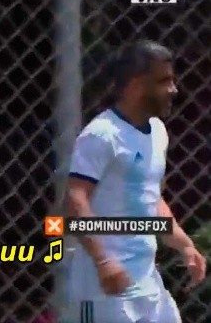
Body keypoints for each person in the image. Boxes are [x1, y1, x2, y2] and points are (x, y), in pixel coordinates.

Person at [58, 40, 207, 323]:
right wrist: (103, 262)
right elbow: (76, 200)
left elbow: (151, 200)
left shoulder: (157, 133)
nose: (173, 89)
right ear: (137, 85)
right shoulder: (102, 135)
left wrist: (185, 245)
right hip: (103, 287)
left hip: (146, 281)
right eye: (164, 81)